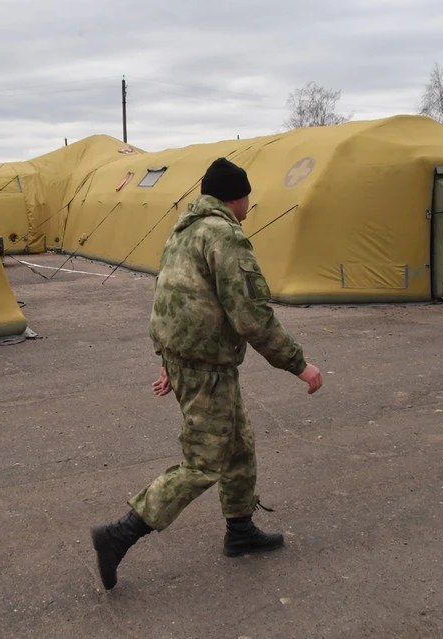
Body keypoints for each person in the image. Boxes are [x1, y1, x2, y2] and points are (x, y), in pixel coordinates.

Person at [91, 157, 323, 590]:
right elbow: (251, 316)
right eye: (248, 194)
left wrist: (168, 361)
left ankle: (240, 532)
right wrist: (299, 365)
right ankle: (119, 535)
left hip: (190, 360)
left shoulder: (184, 230)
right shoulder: (224, 235)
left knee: (238, 446)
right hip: (207, 369)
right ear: (237, 196)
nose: (250, 202)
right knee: (203, 462)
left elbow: (173, 300)